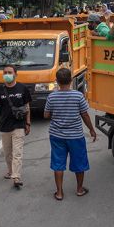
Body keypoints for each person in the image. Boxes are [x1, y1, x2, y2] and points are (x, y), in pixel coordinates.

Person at [44, 67, 97, 200]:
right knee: (79, 162)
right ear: (71, 80)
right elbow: (84, 115)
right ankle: (79, 189)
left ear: (57, 81)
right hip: (76, 136)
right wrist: (91, 129)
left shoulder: (52, 96)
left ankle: (59, 193)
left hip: (57, 136)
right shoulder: (78, 96)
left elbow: (46, 115)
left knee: (58, 163)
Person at [0, 65, 31, 188]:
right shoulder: (0, 90)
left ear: (15, 74)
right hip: (5, 125)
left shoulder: (22, 88)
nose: (7, 74)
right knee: (8, 153)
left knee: (17, 153)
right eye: (5, 72)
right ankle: (10, 171)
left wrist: (28, 123)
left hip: (19, 125)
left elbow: (27, 107)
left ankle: (16, 177)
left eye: (9, 72)